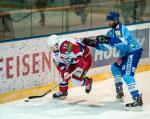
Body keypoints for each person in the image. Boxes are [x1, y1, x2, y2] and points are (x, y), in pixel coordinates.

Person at [83, 11, 143, 108]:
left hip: (133, 51)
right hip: (126, 54)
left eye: (110, 21)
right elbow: (106, 47)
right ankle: (120, 91)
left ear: (115, 20)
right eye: (107, 21)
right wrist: (93, 43)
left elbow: (123, 42)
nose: (108, 23)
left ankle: (137, 98)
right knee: (115, 67)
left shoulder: (121, 29)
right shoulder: (111, 32)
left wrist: (107, 40)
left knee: (127, 75)